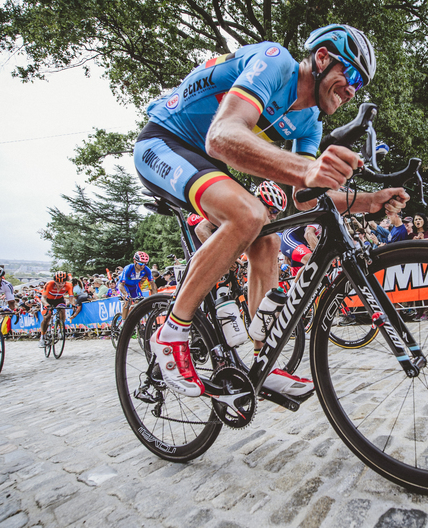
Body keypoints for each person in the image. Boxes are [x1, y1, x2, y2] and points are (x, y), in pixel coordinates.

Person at [133, 24, 407, 398]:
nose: (351, 90)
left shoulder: (309, 123)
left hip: (205, 161)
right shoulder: (275, 61)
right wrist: (306, 168)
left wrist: (370, 201)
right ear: (322, 58)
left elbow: (305, 197)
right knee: (248, 214)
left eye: (360, 87)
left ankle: (264, 363)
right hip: (164, 142)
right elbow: (221, 137)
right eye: (352, 76)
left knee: (268, 241)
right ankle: (171, 334)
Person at [39, 271, 75, 347]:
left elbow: (71, 297)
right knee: (47, 317)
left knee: (62, 310)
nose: (61, 285)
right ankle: (42, 336)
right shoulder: (49, 284)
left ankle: (60, 329)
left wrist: (73, 304)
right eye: (58, 283)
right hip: (48, 300)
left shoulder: (69, 285)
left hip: (59, 300)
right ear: (55, 281)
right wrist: (46, 304)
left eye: (63, 283)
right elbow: (43, 298)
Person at [117, 252, 156, 321]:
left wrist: (155, 296)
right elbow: (121, 285)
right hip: (124, 286)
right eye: (141, 264)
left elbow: (152, 284)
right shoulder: (128, 268)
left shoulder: (147, 270)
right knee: (128, 301)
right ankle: (124, 322)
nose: (142, 266)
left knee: (139, 302)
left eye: (145, 264)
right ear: (135, 261)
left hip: (134, 286)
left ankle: (130, 319)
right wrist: (126, 294)